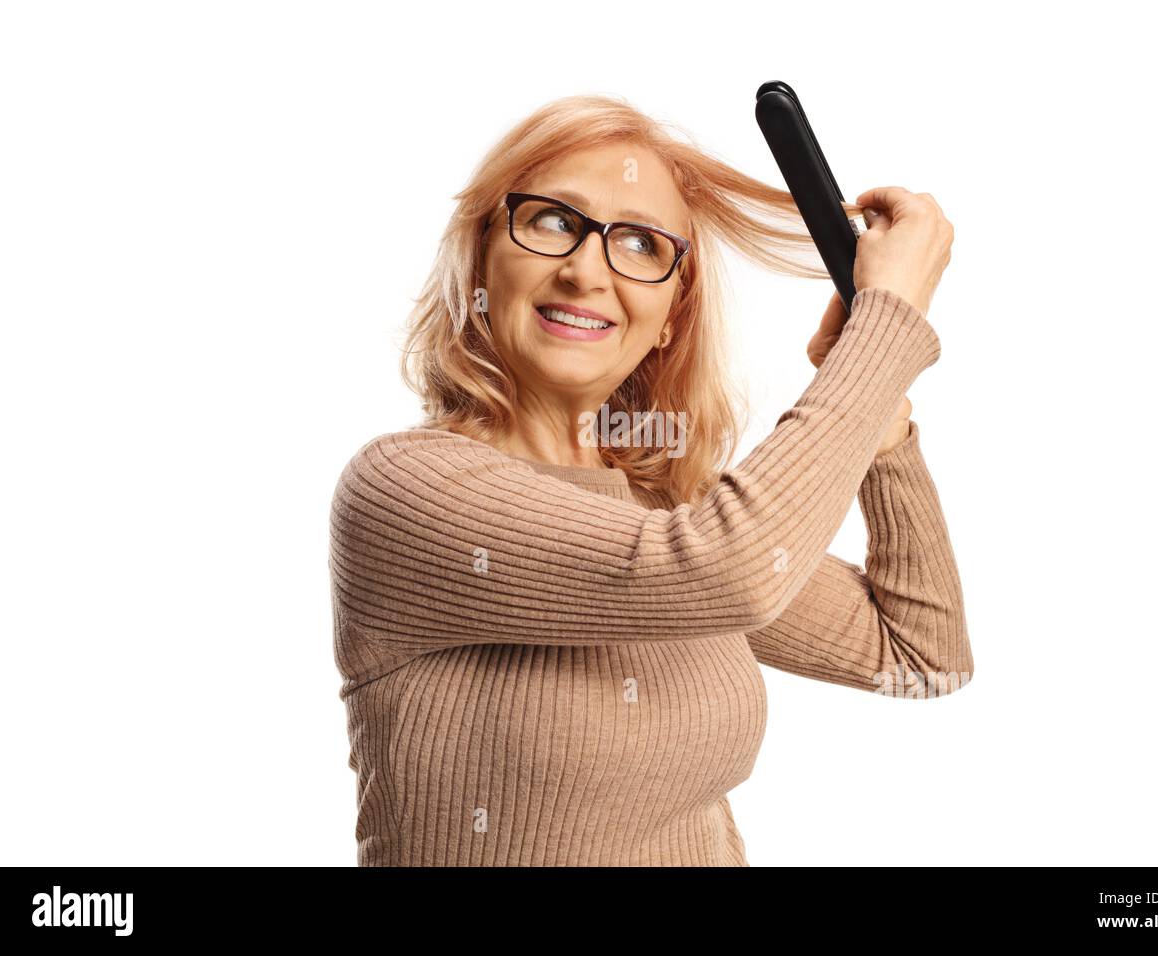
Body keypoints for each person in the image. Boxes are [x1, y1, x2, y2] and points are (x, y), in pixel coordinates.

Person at [328, 94, 970, 866]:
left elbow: (921, 654)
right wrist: (887, 326)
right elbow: (721, 568)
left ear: (670, 314)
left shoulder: (664, 511)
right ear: (479, 260)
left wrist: (877, 405)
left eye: (638, 243)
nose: (584, 270)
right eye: (554, 222)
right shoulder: (404, 489)